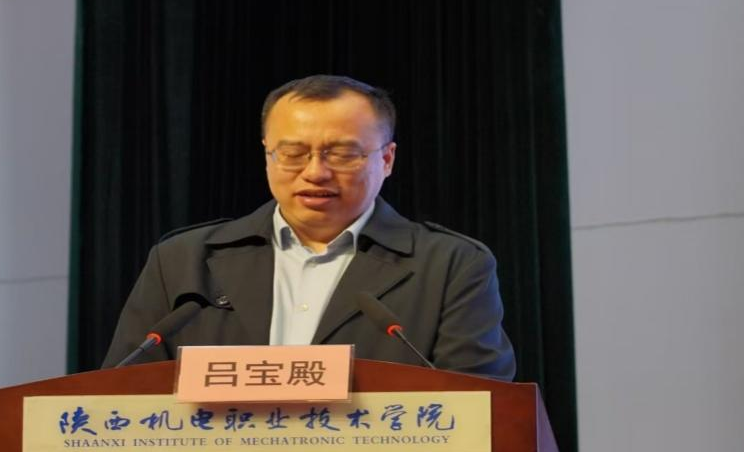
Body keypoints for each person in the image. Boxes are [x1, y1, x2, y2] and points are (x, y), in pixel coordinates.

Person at [102, 75, 516, 380]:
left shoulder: (451, 266)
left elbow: (480, 411)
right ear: (267, 155)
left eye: (342, 154)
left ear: (387, 160)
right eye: (293, 153)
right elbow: (121, 397)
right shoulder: (183, 260)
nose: (315, 172)